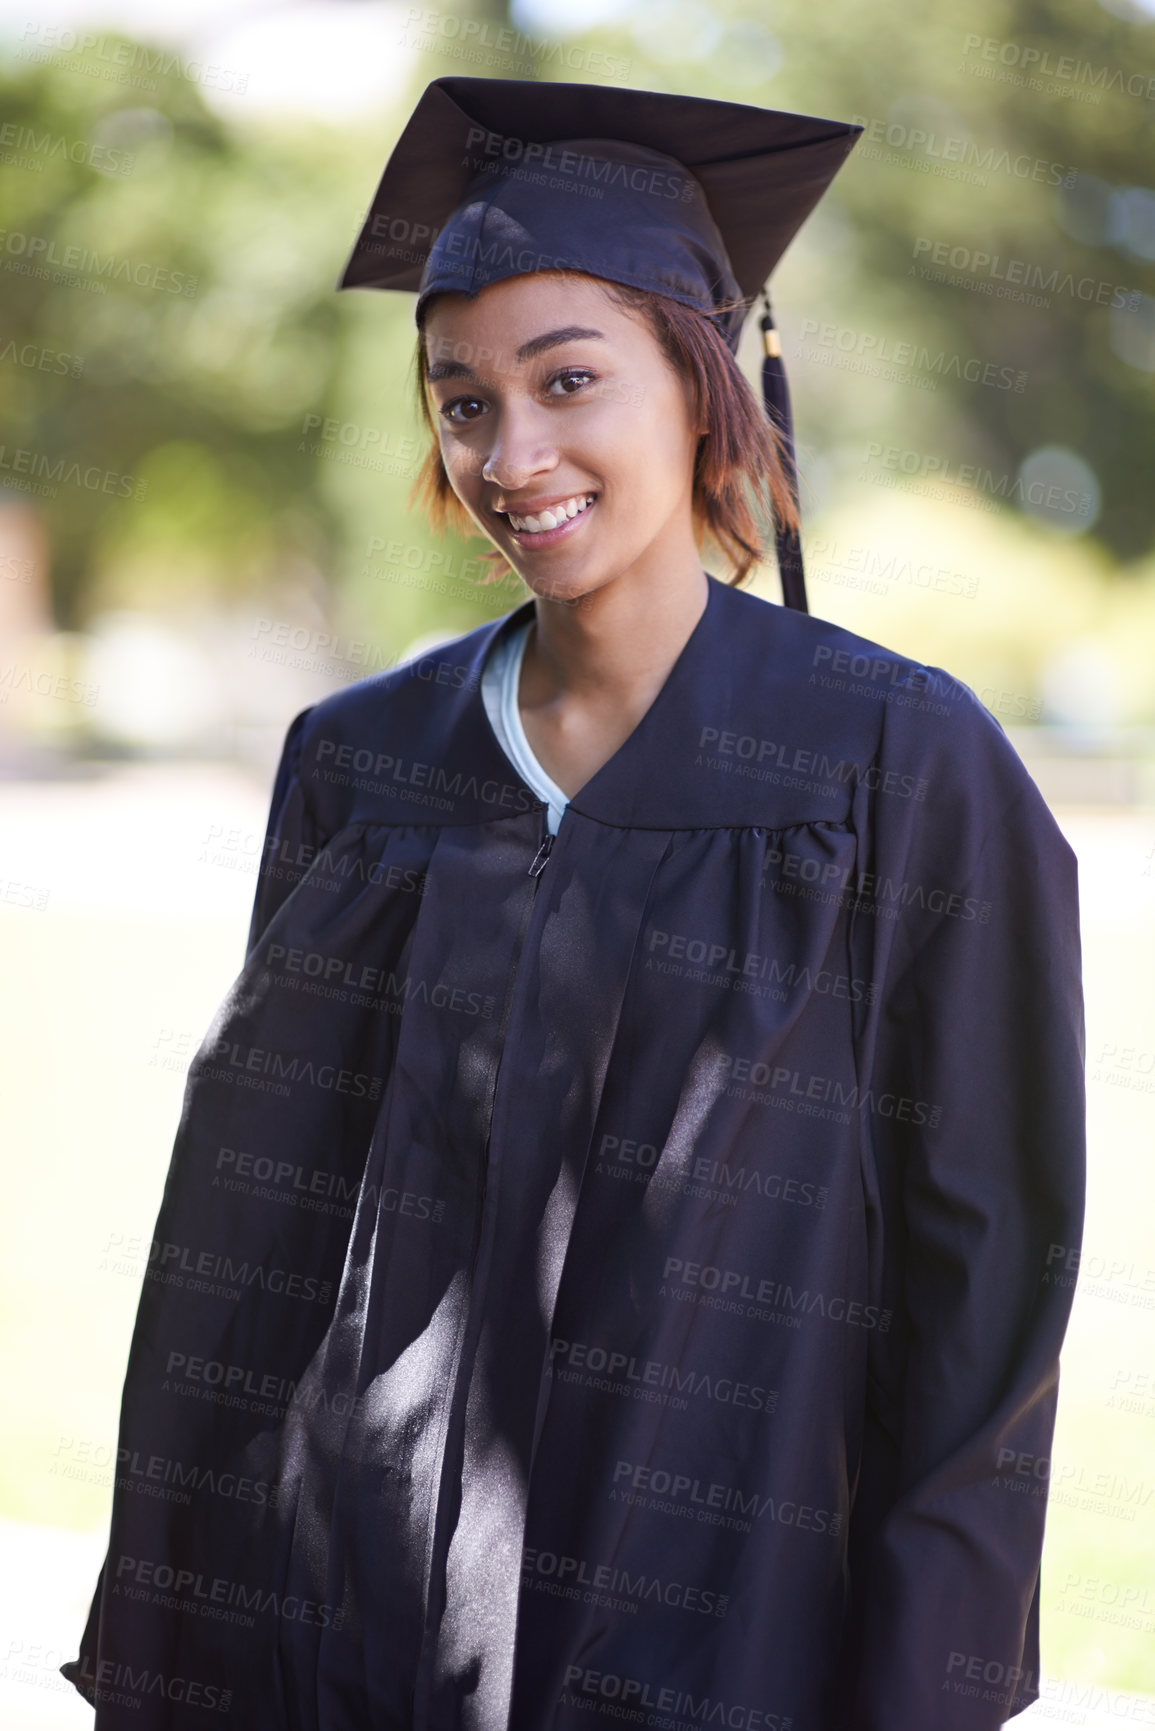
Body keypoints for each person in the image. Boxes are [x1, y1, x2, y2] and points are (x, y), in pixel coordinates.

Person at [62, 77, 1086, 1731]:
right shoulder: (362, 760)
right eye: (462, 402)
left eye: (570, 381)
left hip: (731, 1625)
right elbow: (246, 1238)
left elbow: (988, 1275)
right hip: (368, 1613)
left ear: (701, 386)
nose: (512, 452)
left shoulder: (897, 763)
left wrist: (924, 1678)